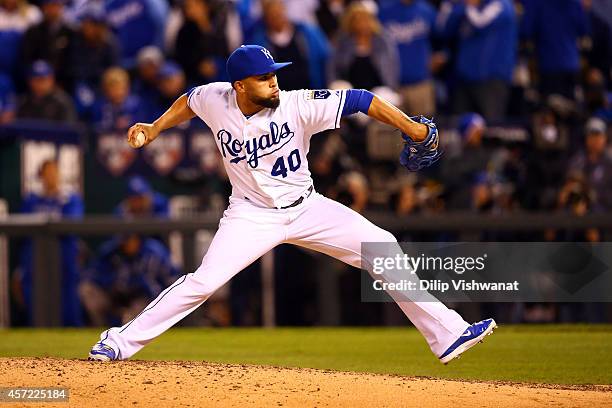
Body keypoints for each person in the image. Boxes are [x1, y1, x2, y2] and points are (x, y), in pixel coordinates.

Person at [88, 44, 495, 364]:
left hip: (307, 208)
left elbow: (359, 98)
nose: (274, 82)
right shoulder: (217, 99)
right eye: (264, 78)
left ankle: (447, 335)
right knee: (203, 283)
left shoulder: (297, 104)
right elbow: (189, 100)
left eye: (274, 74)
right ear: (240, 86)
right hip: (250, 215)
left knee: (383, 247)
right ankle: (118, 342)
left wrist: (410, 126)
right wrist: (156, 127)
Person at [18, 159, 84, 326]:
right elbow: (23, 228)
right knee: (34, 291)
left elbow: (73, 224)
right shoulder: (32, 199)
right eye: (47, 173)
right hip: (36, 255)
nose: (51, 177)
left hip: (64, 253)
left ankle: (72, 329)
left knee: (68, 293)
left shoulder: (69, 198)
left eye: (54, 172)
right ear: (41, 176)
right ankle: (36, 327)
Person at [79, 234, 180, 326]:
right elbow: (93, 275)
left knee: (139, 307)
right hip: (115, 297)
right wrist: (110, 283)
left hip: (144, 299)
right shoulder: (111, 251)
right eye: (123, 240)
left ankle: (137, 332)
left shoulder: (154, 252)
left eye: (129, 240)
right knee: (87, 290)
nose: (126, 243)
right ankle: (100, 329)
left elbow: (172, 280)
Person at [330, 2, 399, 91]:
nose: (361, 24)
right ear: (351, 22)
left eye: (364, 19)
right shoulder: (342, 41)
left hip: (379, 89)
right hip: (351, 90)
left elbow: (392, 65)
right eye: (357, 20)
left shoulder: (382, 40)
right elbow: (332, 66)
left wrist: (391, 87)